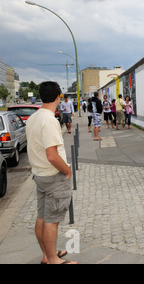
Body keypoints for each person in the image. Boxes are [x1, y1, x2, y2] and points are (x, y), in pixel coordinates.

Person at [25, 81, 76, 264]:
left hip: (40, 175)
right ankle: (54, 260)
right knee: (51, 221)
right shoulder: (49, 120)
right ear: (58, 96)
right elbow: (52, 156)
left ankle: (47, 254)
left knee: (42, 217)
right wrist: (68, 171)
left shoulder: (33, 118)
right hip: (53, 176)